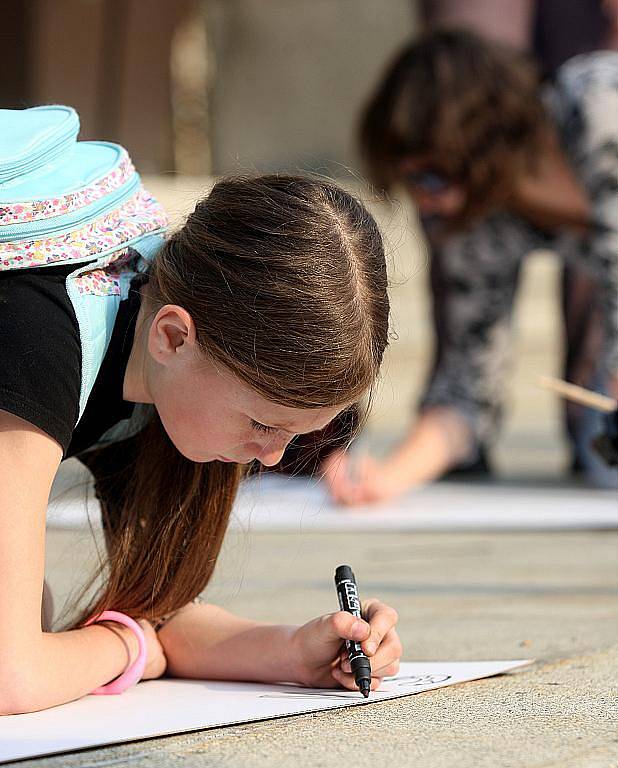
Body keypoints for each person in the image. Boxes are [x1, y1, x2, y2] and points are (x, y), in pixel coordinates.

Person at [0, 169, 401, 714]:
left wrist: (294, 652)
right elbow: (11, 675)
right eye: (262, 424)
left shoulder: (157, 365)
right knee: (31, 613)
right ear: (172, 337)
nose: (273, 456)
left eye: (292, 435)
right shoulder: (38, 337)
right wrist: (131, 645)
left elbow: (165, 610)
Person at [324, 28, 618, 504]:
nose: (425, 202)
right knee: (606, 458)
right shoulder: (477, 223)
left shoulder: (602, 104)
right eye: (410, 182)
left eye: (431, 176)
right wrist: (388, 477)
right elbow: (466, 388)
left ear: (483, 141)